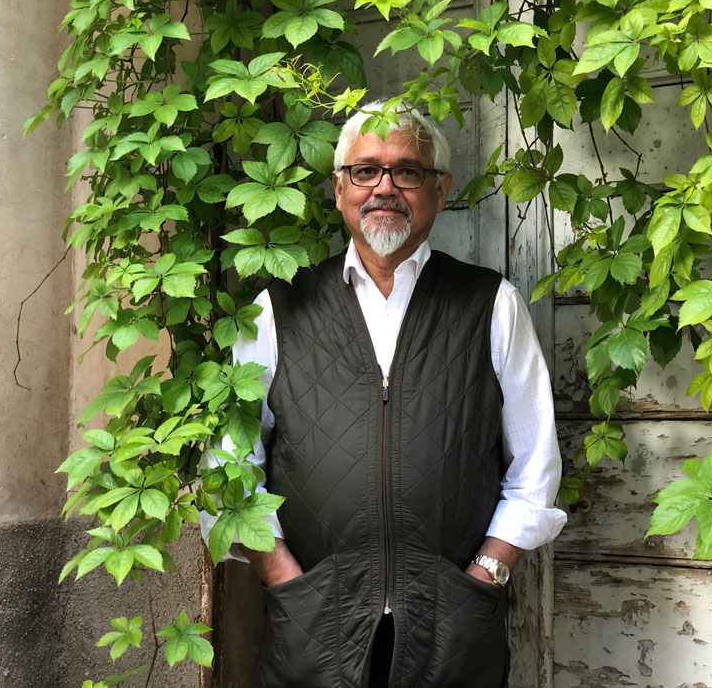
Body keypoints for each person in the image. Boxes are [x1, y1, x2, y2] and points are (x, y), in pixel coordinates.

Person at [201, 102, 566, 688]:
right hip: (314, 622)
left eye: (408, 171)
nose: (385, 188)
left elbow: (536, 465)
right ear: (339, 189)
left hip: (452, 624)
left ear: (440, 190)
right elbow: (231, 462)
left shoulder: (490, 304)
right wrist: (283, 578)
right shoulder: (279, 308)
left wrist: (486, 575)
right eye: (365, 171)